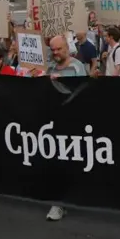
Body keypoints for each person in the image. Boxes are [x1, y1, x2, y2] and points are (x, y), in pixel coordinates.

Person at [40, 35, 88, 221]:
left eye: (59, 49)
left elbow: (83, 92)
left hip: (72, 124)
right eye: (53, 50)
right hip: (52, 123)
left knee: (71, 164)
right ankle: (58, 203)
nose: (56, 53)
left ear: (67, 48)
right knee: (56, 163)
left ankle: (69, 198)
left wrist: (63, 84)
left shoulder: (77, 67)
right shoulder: (50, 67)